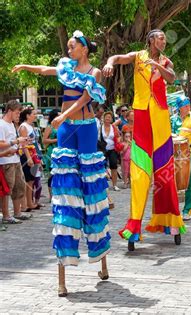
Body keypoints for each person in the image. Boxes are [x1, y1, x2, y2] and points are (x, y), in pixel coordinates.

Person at [12, 30, 111, 296]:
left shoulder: (96, 71)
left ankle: (102, 260)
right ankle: (62, 278)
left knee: (92, 193)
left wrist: (62, 115)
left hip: (87, 129)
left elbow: (85, 99)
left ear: (84, 49)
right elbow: (45, 69)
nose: (68, 51)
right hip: (67, 130)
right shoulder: (65, 67)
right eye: (68, 47)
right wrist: (25, 66)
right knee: (66, 195)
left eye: (72, 47)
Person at [103, 29, 186, 249]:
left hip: (160, 118)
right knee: (140, 176)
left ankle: (170, 220)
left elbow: (171, 77)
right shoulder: (138, 56)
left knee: (165, 172)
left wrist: (157, 65)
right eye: (160, 39)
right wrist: (110, 62)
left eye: (165, 40)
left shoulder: (166, 61)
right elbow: (119, 57)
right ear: (151, 40)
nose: (163, 42)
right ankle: (134, 225)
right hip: (141, 115)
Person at [0, 100, 29, 225]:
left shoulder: (11, 124)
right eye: (17, 113)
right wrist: (16, 142)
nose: (18, 115)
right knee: (7, 188)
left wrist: (21, 143)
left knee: (19, 185)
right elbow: (1, 144)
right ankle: (6, 215)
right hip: (6, 161)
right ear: (10, 111)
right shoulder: (2, 124)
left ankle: (17, 212)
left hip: (15, 159)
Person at [18, 108, 41, 211]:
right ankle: (27, 204)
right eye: (33, 114)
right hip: (26, 155)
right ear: (27, 115)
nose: (35, 116)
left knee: (31, 180)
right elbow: (24, 145)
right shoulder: (23, 127)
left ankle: (30, 202)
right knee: (28, 180)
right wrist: (29, 158)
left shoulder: (30, 126)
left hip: (33, 154)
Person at [100, 111, 121, 191]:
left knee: (114, 167)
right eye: (107, 117)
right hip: (102, 150)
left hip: (112, 149)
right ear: (104, 118)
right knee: (102, 167)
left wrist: (118, 142)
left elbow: (118, 136)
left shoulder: (114, 127)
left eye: (110, 117)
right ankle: (104, 185)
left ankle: (114, 185)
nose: (108, 118)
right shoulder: (100, 127)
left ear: (112, 119)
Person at [42, 109, 59, 202]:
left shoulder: (62, 126)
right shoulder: (49, 127)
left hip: (61, 152)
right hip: (51, 152)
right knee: (52, 173)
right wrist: (55, 140)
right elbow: (44, 140)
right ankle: (51, 195)